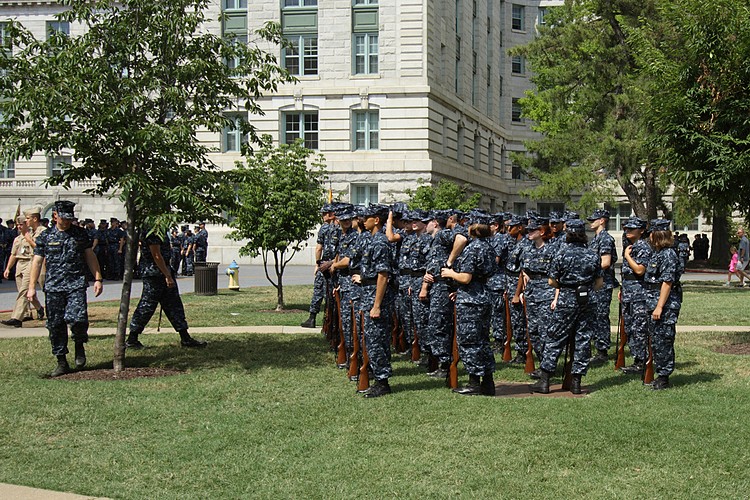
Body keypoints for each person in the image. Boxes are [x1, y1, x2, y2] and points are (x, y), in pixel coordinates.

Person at [27, 200, 104, 377]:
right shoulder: (46, 237)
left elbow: (89, 255)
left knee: (78, 318)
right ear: (55, 216)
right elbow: (37, 262)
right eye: (64, 218)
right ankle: (61, 361)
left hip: (75, 284)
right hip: (54, 287)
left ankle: (79, 344)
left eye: (70, 218)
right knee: (55, 324)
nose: (68, 222)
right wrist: (32, 287)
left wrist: (98, 278)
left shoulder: (80, 234)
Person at [532, 219, 603, 394]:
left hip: (566, 300)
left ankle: (545, 380)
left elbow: (551, 281)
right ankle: (576, 382)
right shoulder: (593, 255)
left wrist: (566, 287)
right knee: (583, 340)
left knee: (555, 338)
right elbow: (599, 283)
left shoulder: (561, 255)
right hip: (587, 300)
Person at [440, 211, 497, 396]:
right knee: (482, 340)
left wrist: (450, 274)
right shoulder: (489, 247)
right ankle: (488, 382)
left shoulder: (473, 248)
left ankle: (474, 383)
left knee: (469, 341)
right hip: (483, 296)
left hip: (471, 300)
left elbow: (465, 277)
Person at [125, 226, 207, 349]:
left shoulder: (161, 228)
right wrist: (167, 275)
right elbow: (156, 254)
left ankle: (185, 338)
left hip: (163, 272)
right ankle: (132, 338)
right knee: (147, 306)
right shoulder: (153, 229)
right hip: (155, 274)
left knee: (174, 305)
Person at [355, 203, 395, 398]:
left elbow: (383, 275)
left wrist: (376, 305)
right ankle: (378, 375)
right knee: (373, 339)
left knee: (377, 340)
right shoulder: (372, 240)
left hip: (376, 297)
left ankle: (382, 381)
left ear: (376, 220)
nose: (363, 220)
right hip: (369, 292)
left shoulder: (380, 242)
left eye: (367, 216)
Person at [643, 219, 683, 390]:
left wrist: (659, 306)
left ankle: (664, 376)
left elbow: (667, 282)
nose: (649, 237)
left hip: (665, 305)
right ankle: (659, 373)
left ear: (656, 235)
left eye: (651, 233)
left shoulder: (668, 254)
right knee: (656, 339)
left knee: (663, 340)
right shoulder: (657, 253)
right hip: (654, 301)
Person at [619, 216, 652, 374]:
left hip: (639, 294)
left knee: (639, 328)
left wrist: (627, 257)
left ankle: (642, 360)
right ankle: (637, 358)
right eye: (626, 229)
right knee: (630, 327)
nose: (628, 232)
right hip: (629, 293)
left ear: (641, 231)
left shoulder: (642, 247)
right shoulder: (631, 246)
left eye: (631, 229)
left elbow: (640, 270)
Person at [586, 208, 618, 365]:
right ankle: (597, 346)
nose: (591, 222)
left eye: (594, 219)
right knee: (595, 315)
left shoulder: (605, 239)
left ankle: (602, 351)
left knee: (601, 316)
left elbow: (605, 262)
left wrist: (588, 269)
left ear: (602, 220)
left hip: (603, 283)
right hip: (595, 282)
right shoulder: (596, 239)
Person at [2, 214, 45, 327]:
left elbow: (38, 248)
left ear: (26, 224)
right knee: (25, 292)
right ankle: (36, 309)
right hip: (20, 265)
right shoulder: (17, 239)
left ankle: (16, 317)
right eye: (17, 225)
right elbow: (13, 255)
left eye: (21, 224)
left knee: (24, 291)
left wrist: (28, 239)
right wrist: (8, 268)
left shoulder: (33, 235)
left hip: (31, 263)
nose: (19, 227)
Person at [301, 203, 340, 328]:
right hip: (335, 263)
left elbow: (319, 248)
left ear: (332, 214)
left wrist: (317, 264)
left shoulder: (324, 228)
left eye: (325, 213)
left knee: (318, 291)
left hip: (326, 263)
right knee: (331, 292)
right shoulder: (340, 229)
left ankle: (312, 317)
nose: (323, 216)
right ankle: (330, 319)